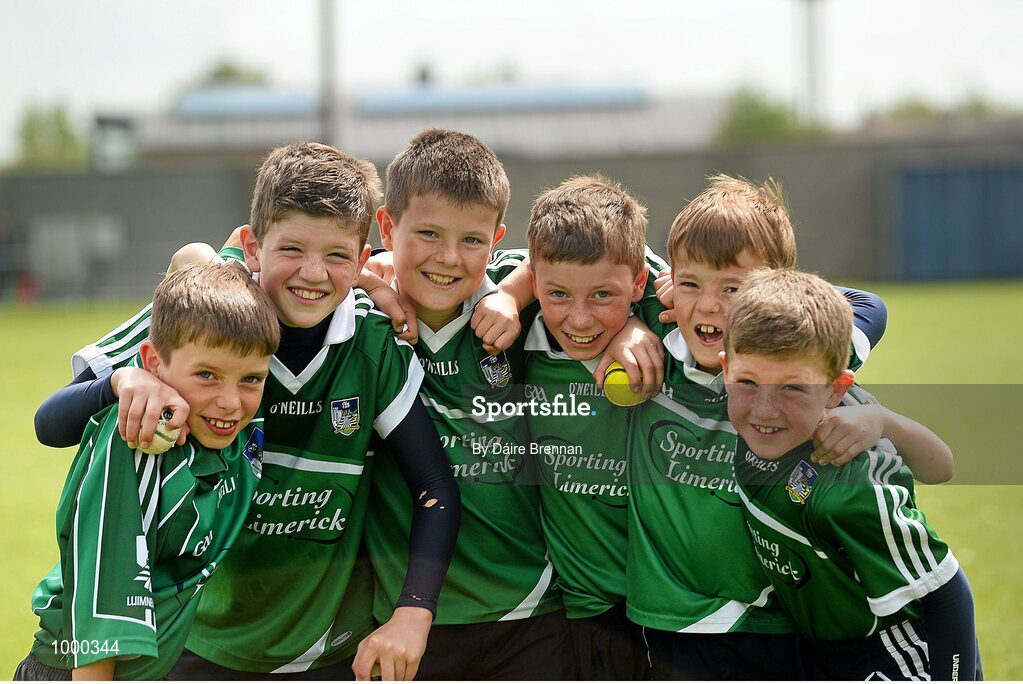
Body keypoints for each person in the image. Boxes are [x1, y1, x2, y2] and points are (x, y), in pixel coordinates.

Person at [33, 141, 460, 680]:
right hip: (194, 640)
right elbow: (52, 423)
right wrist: (123, 380)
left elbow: (434, 485)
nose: (313, 273)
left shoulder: (372, 338)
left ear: (363, 258)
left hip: (324, 648)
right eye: (292, 250)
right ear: (253, 248)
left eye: (336, 255)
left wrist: (414, 611)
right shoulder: (208, 307)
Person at [625, 174, 952, 680]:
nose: (709, 306)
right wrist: (632, 323)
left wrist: (880, 419)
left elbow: (868, 305)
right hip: (664, 625)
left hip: (775, 627)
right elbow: (583, 259)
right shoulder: (665, 336)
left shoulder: (806, 359)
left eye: (732, 288)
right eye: (690, 284)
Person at [355, 128, 574, 680]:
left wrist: (516, 293)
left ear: (497, 239)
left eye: (473, 241)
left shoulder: (523, 303)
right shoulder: (356, 314)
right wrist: (366, 277)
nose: (449, 258)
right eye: (427, 233)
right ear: (387, 227)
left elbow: (619, 251)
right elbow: (235, 258)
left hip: (530, 614)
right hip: (403, 624)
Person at [16, 262, 279, 680]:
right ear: (152, 362)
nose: (230, 401)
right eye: (206, 375)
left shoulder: (232, 423)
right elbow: (99, 629)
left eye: (251, 379)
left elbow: (198, 255)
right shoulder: (137, 446)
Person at [724, 267, 977, 680]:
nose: (764, 409)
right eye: (747, 382)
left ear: (837, 390)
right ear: (726, 368)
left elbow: (946, 591)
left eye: (792, 389)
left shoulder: (850, 486)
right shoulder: (758, 392)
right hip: (815, 653)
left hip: (890, 658)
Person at [522, 175, 666, 680]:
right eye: (558, 294)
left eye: (603, 296)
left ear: (640, 284)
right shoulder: (515, 330)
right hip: (589, 610)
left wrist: (639, 322)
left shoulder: (674, 322)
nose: (579, 319)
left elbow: (860, 306)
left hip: (680, 607)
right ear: (534, 282)